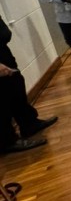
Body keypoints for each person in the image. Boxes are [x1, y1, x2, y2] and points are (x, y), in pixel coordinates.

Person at [0, 14, 58, 153]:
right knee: (2, 101)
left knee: (17, 90)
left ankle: (29, 124)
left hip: (4, 54)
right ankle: (8, 141)